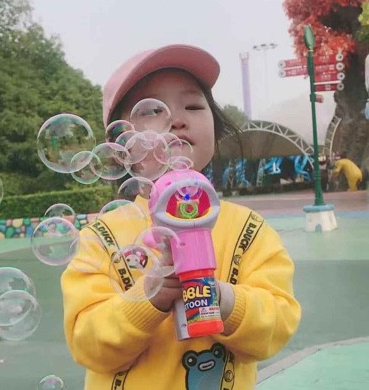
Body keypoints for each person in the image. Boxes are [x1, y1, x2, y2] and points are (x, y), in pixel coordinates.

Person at [61, 44, 301, 390]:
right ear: (120, 143)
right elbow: (87, 343)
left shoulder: (249, 230)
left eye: (193, 106)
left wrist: (223, 299)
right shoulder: (101, 236)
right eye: (151, 110)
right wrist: (149, 297)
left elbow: (278, 324)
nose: (177, 119)